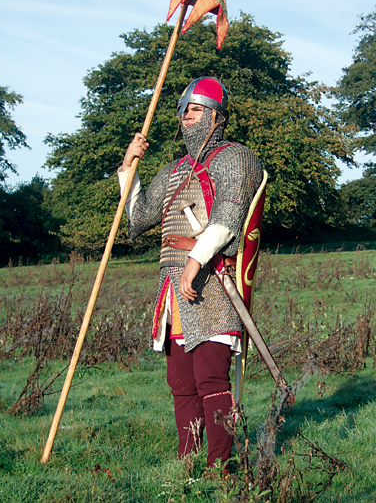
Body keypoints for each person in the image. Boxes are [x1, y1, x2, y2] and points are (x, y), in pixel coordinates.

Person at [118, 77, 262, 469]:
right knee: (181, 385)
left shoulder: (236, 157)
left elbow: (228, 215)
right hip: (173, 289)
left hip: (213, 283)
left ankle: (219, 465)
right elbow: (137, 218)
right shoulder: (174, 170)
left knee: (211, 380)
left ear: (215, 116)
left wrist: (197, 260)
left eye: (194, 110)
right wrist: (129, 166)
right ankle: (189, 462)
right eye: (183, 111)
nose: (186, 117)